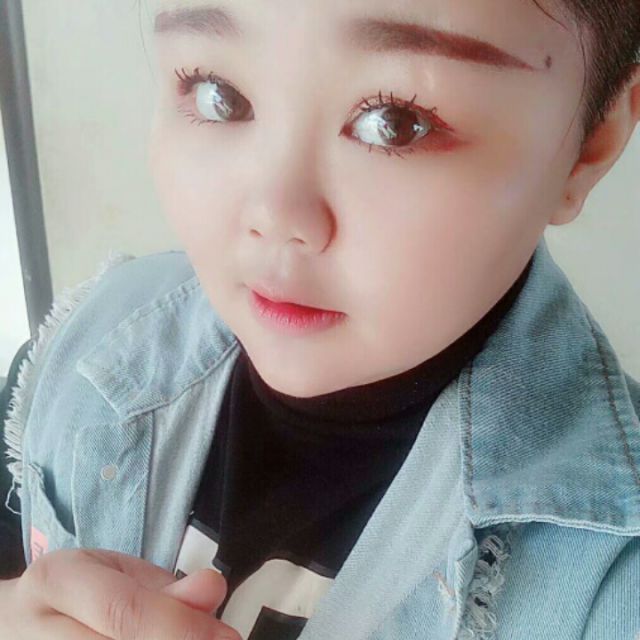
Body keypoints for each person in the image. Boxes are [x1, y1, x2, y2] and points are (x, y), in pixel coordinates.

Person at [1, 1, 640, 638]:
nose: (274, 216)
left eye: (396, 123)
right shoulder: (88, 338)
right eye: (220, 94)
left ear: (590, 144)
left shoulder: (613, 581)